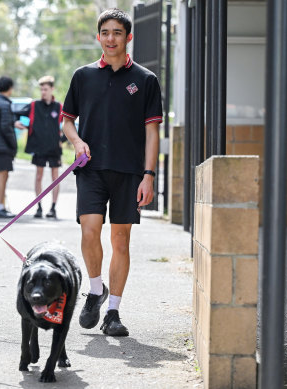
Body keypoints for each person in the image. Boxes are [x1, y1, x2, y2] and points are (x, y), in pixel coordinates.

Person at [61, 9, 162, 336]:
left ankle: (113, 313)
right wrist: (77, 142)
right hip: (91, 170)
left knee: (121, 240)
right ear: (98, 36)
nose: (110, 38)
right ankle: (95, 289)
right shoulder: (83, 76)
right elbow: (67, 121)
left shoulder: (146, 80)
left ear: (128, 37)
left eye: (117, 32)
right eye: (105, 32)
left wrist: (149, 175)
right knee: (89, 230)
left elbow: (152, 133)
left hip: (130, 172)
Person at [14, 75, 65, 219]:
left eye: (46, 89)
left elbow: (69, 124)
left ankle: (53, 208)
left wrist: (62, 139)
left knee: (56, 178)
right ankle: (39, 207)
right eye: (41, 89)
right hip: (39, 147)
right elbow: (16, 114)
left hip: (55, 148)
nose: (43, 92)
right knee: (38, 177)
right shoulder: (34, 105)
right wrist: (16, 123)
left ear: (52, 89)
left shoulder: (59, 107)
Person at [0, 76, 20, 219]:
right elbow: (6, 127)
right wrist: (14, 145)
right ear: (10, 88)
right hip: (3, 146)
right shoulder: (5, 104)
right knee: (2, 175)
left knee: (2, 175)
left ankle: (0, 206)